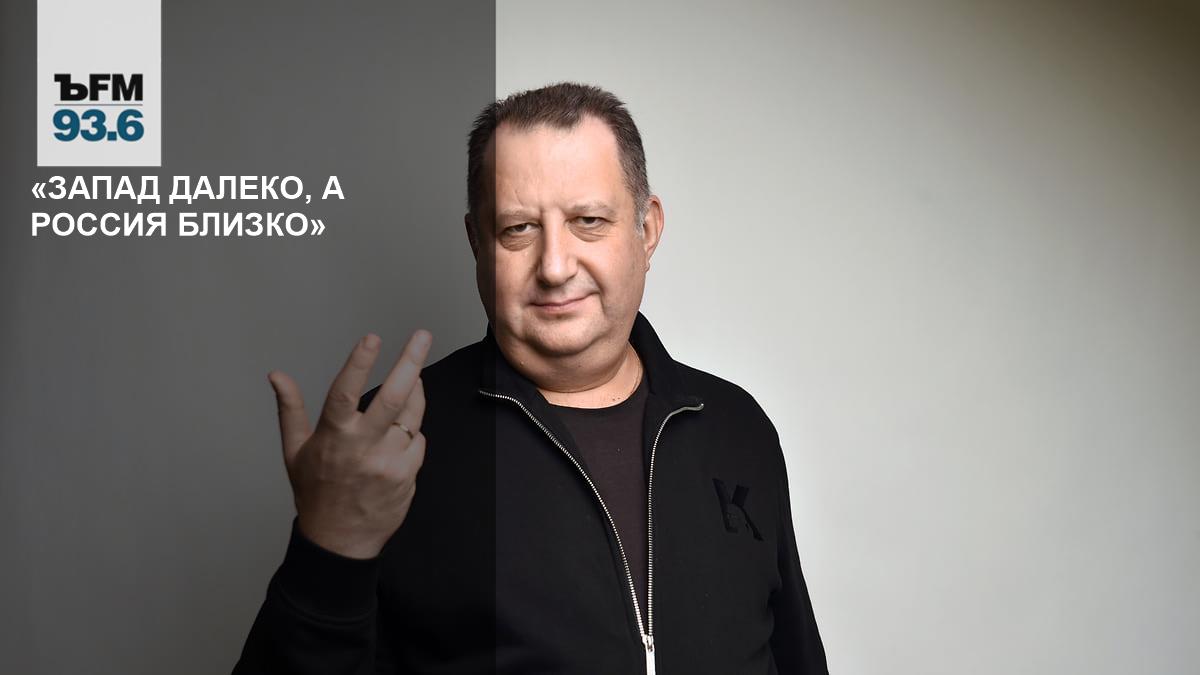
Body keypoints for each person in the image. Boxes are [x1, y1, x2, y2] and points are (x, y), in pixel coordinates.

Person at [233, 82, 828, 674]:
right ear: (477, 243)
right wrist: (328, 549)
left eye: (588, 220)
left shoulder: (736, 426)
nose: (555, 267)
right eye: (517, 229)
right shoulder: (385, 445)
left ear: (646, 231)